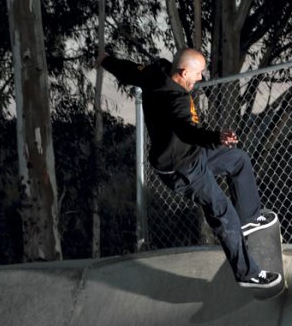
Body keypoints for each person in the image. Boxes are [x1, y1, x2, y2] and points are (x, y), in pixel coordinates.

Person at [97, 47, 281, 288]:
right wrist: (216, 137)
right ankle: (248, 274)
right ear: (183, 73)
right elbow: (187, 131)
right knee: (224, 213)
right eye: (198, 73)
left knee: (238, 160)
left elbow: (129, 70)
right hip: (183, 169)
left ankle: (249, 217)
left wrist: (105, 60)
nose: (201, 78)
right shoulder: (177, 100)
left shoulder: (155, 72)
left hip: (193, 154)